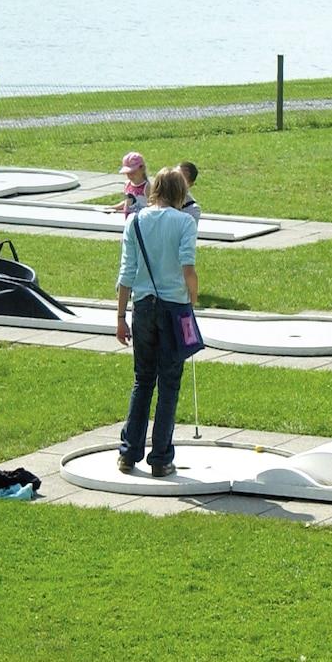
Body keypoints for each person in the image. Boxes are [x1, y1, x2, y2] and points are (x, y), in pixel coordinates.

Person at [116, 166, 200, 477]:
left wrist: (120, 317)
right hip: (174, 307)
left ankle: (128, 454)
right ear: (180, 193)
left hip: (143, 307)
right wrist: (193, 297)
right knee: (169, 383)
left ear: (155, 190)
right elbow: (188, 267)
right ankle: (161, 459)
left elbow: (126, 273)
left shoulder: (135, 221)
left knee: (143, 381)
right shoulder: (185, 222)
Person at [108, 151, 152, 216]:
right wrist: (112, 207)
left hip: (140, 220)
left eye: (133, 172)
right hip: (128, 219)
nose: (130, 176)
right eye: (127, 173)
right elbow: (127, 202)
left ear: (142, 169)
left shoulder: (146, 187)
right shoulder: (127, 184)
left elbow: (153, 204)